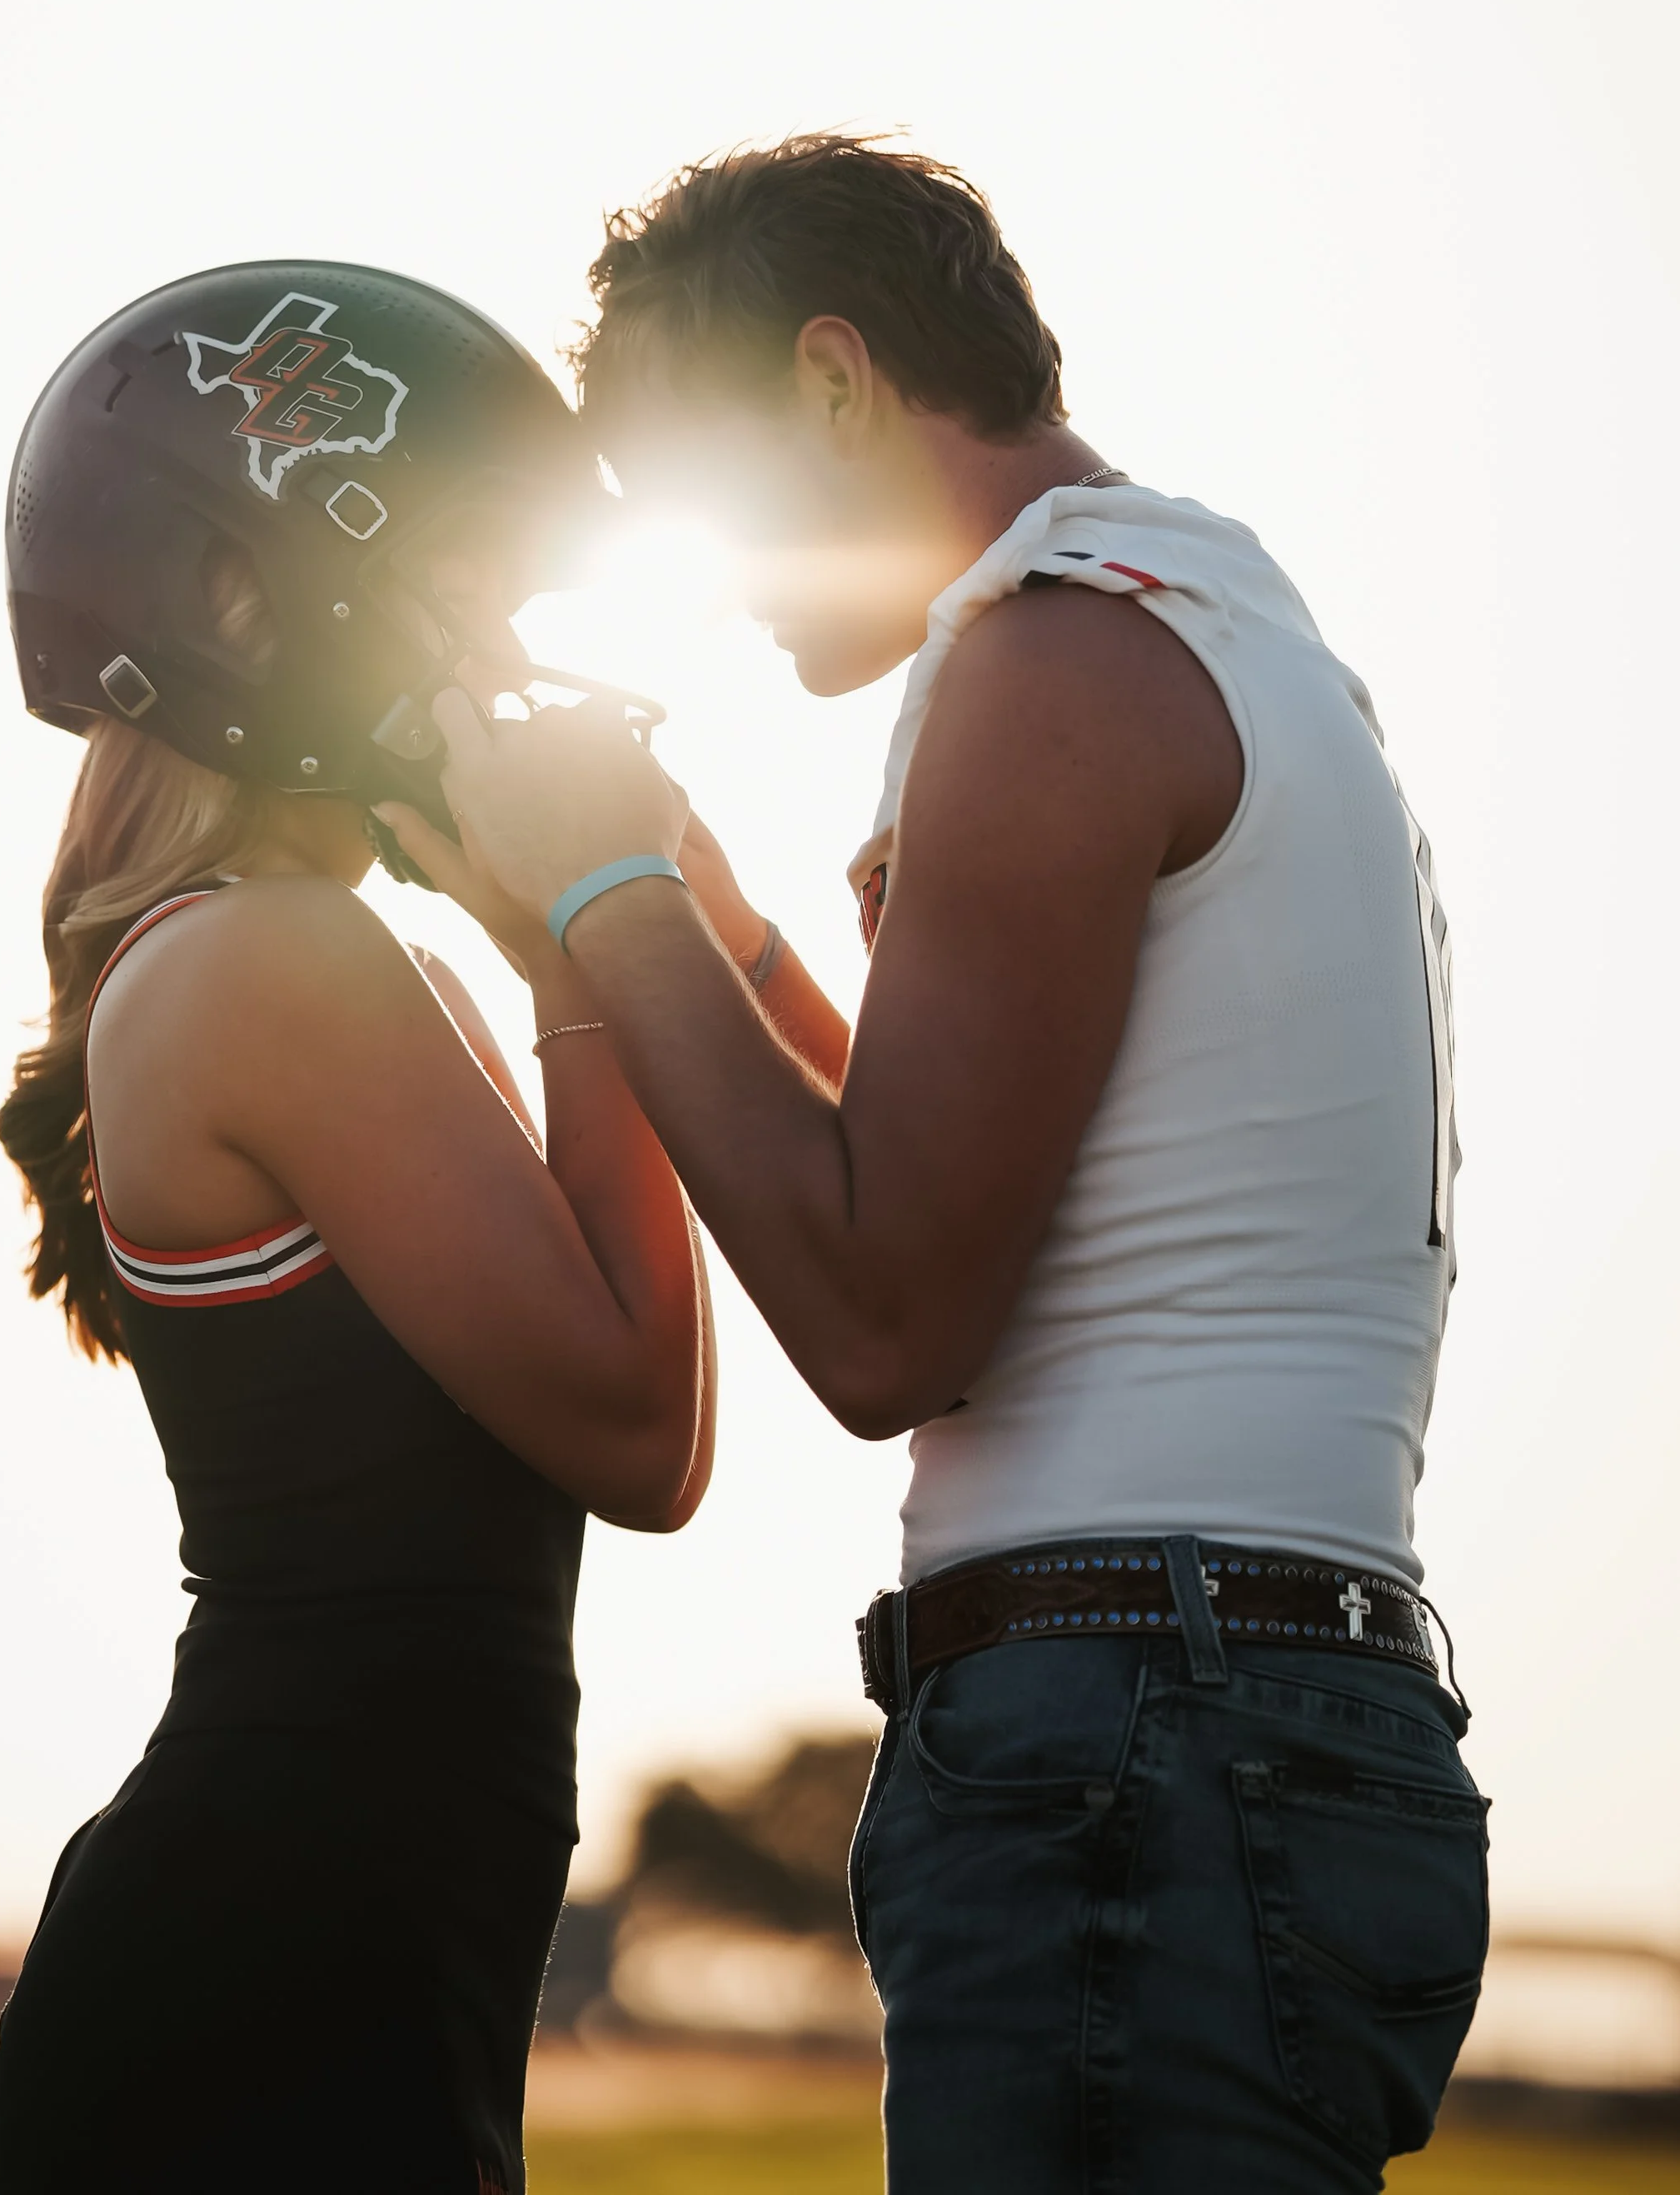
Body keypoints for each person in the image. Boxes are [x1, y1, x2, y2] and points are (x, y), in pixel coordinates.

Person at [386, 140, 1487, 2195]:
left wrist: (605, 890)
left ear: (831, 381)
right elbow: (955, 1160)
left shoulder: (1047, 661)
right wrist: (695, 909)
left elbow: (886, 1316)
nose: (707, 580)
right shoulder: (1197, 612)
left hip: (1138, 1731)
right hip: (1249, 1710)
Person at [0, 261, 712, 2195]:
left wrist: (550, 952)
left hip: (357, 1955)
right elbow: (637, 1428)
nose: (502, 646)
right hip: (275, 1975)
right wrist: (580, 939)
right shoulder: (270, 961)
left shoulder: (339, 962)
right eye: (463, 582)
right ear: (249, 598)